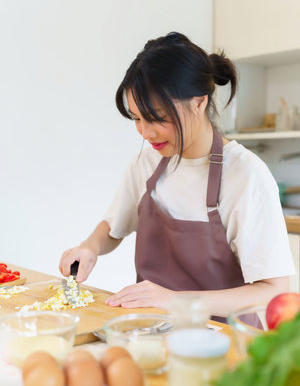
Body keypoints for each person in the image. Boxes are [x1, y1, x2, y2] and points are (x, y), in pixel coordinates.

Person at [59, 32, 295, 323]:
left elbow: (273, 291)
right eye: (136, 118)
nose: (145, 133)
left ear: (198, 103)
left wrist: (173, 300)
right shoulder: (148, 161)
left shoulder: (246, 175)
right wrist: (90, 247)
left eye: (157, 117)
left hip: (224, 345)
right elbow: (113, 225)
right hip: (152, 333)